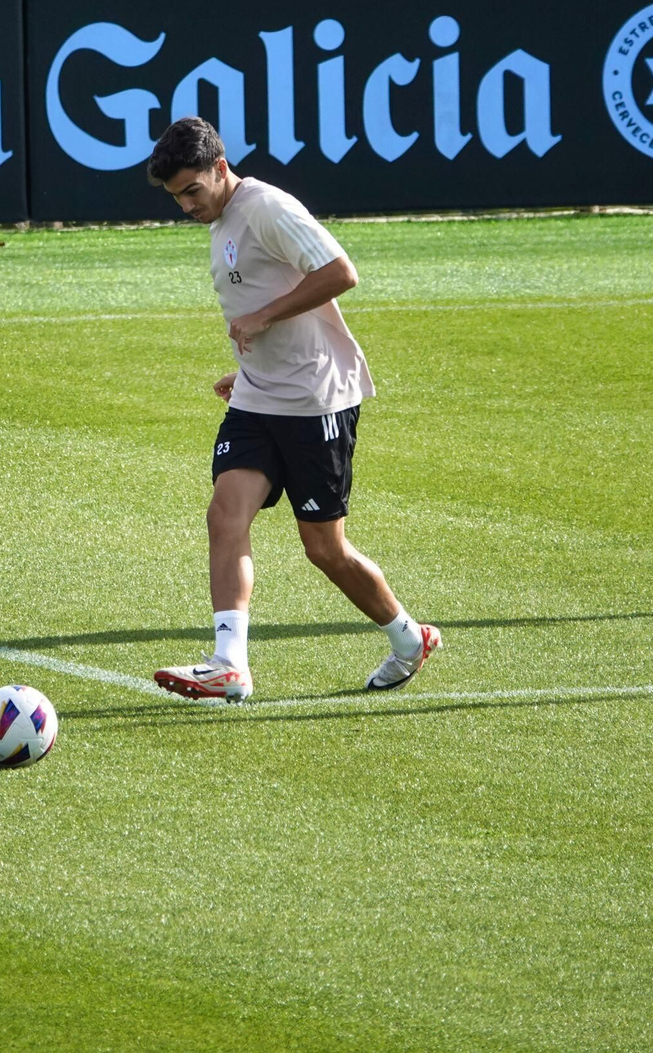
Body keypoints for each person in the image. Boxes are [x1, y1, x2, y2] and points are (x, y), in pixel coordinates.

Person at [144, 117, 440, 701]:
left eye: (191, 191)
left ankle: (408, 639)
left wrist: (264, 320)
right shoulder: (223, 218)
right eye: (176, 196)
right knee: (225, 514)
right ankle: (230, 664)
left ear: (220, 169)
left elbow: (341, 272)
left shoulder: (268, 208)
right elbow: (256, 295)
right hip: (260, 394)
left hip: (314, 400)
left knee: (324, 549)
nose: (184, 206)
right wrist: (250, 367)